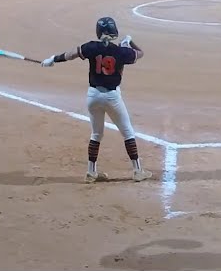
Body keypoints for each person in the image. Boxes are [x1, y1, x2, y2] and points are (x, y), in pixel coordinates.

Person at [40, 17, 152, 184]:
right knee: (127, 132)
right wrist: (129, 42)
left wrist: (53, 59)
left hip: (93, 96)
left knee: (96, 134)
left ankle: (91, 172)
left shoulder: (91, 47)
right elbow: (141, 54)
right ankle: (137, 170)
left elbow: (71, 55)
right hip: (112, 97)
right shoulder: (121, 52)